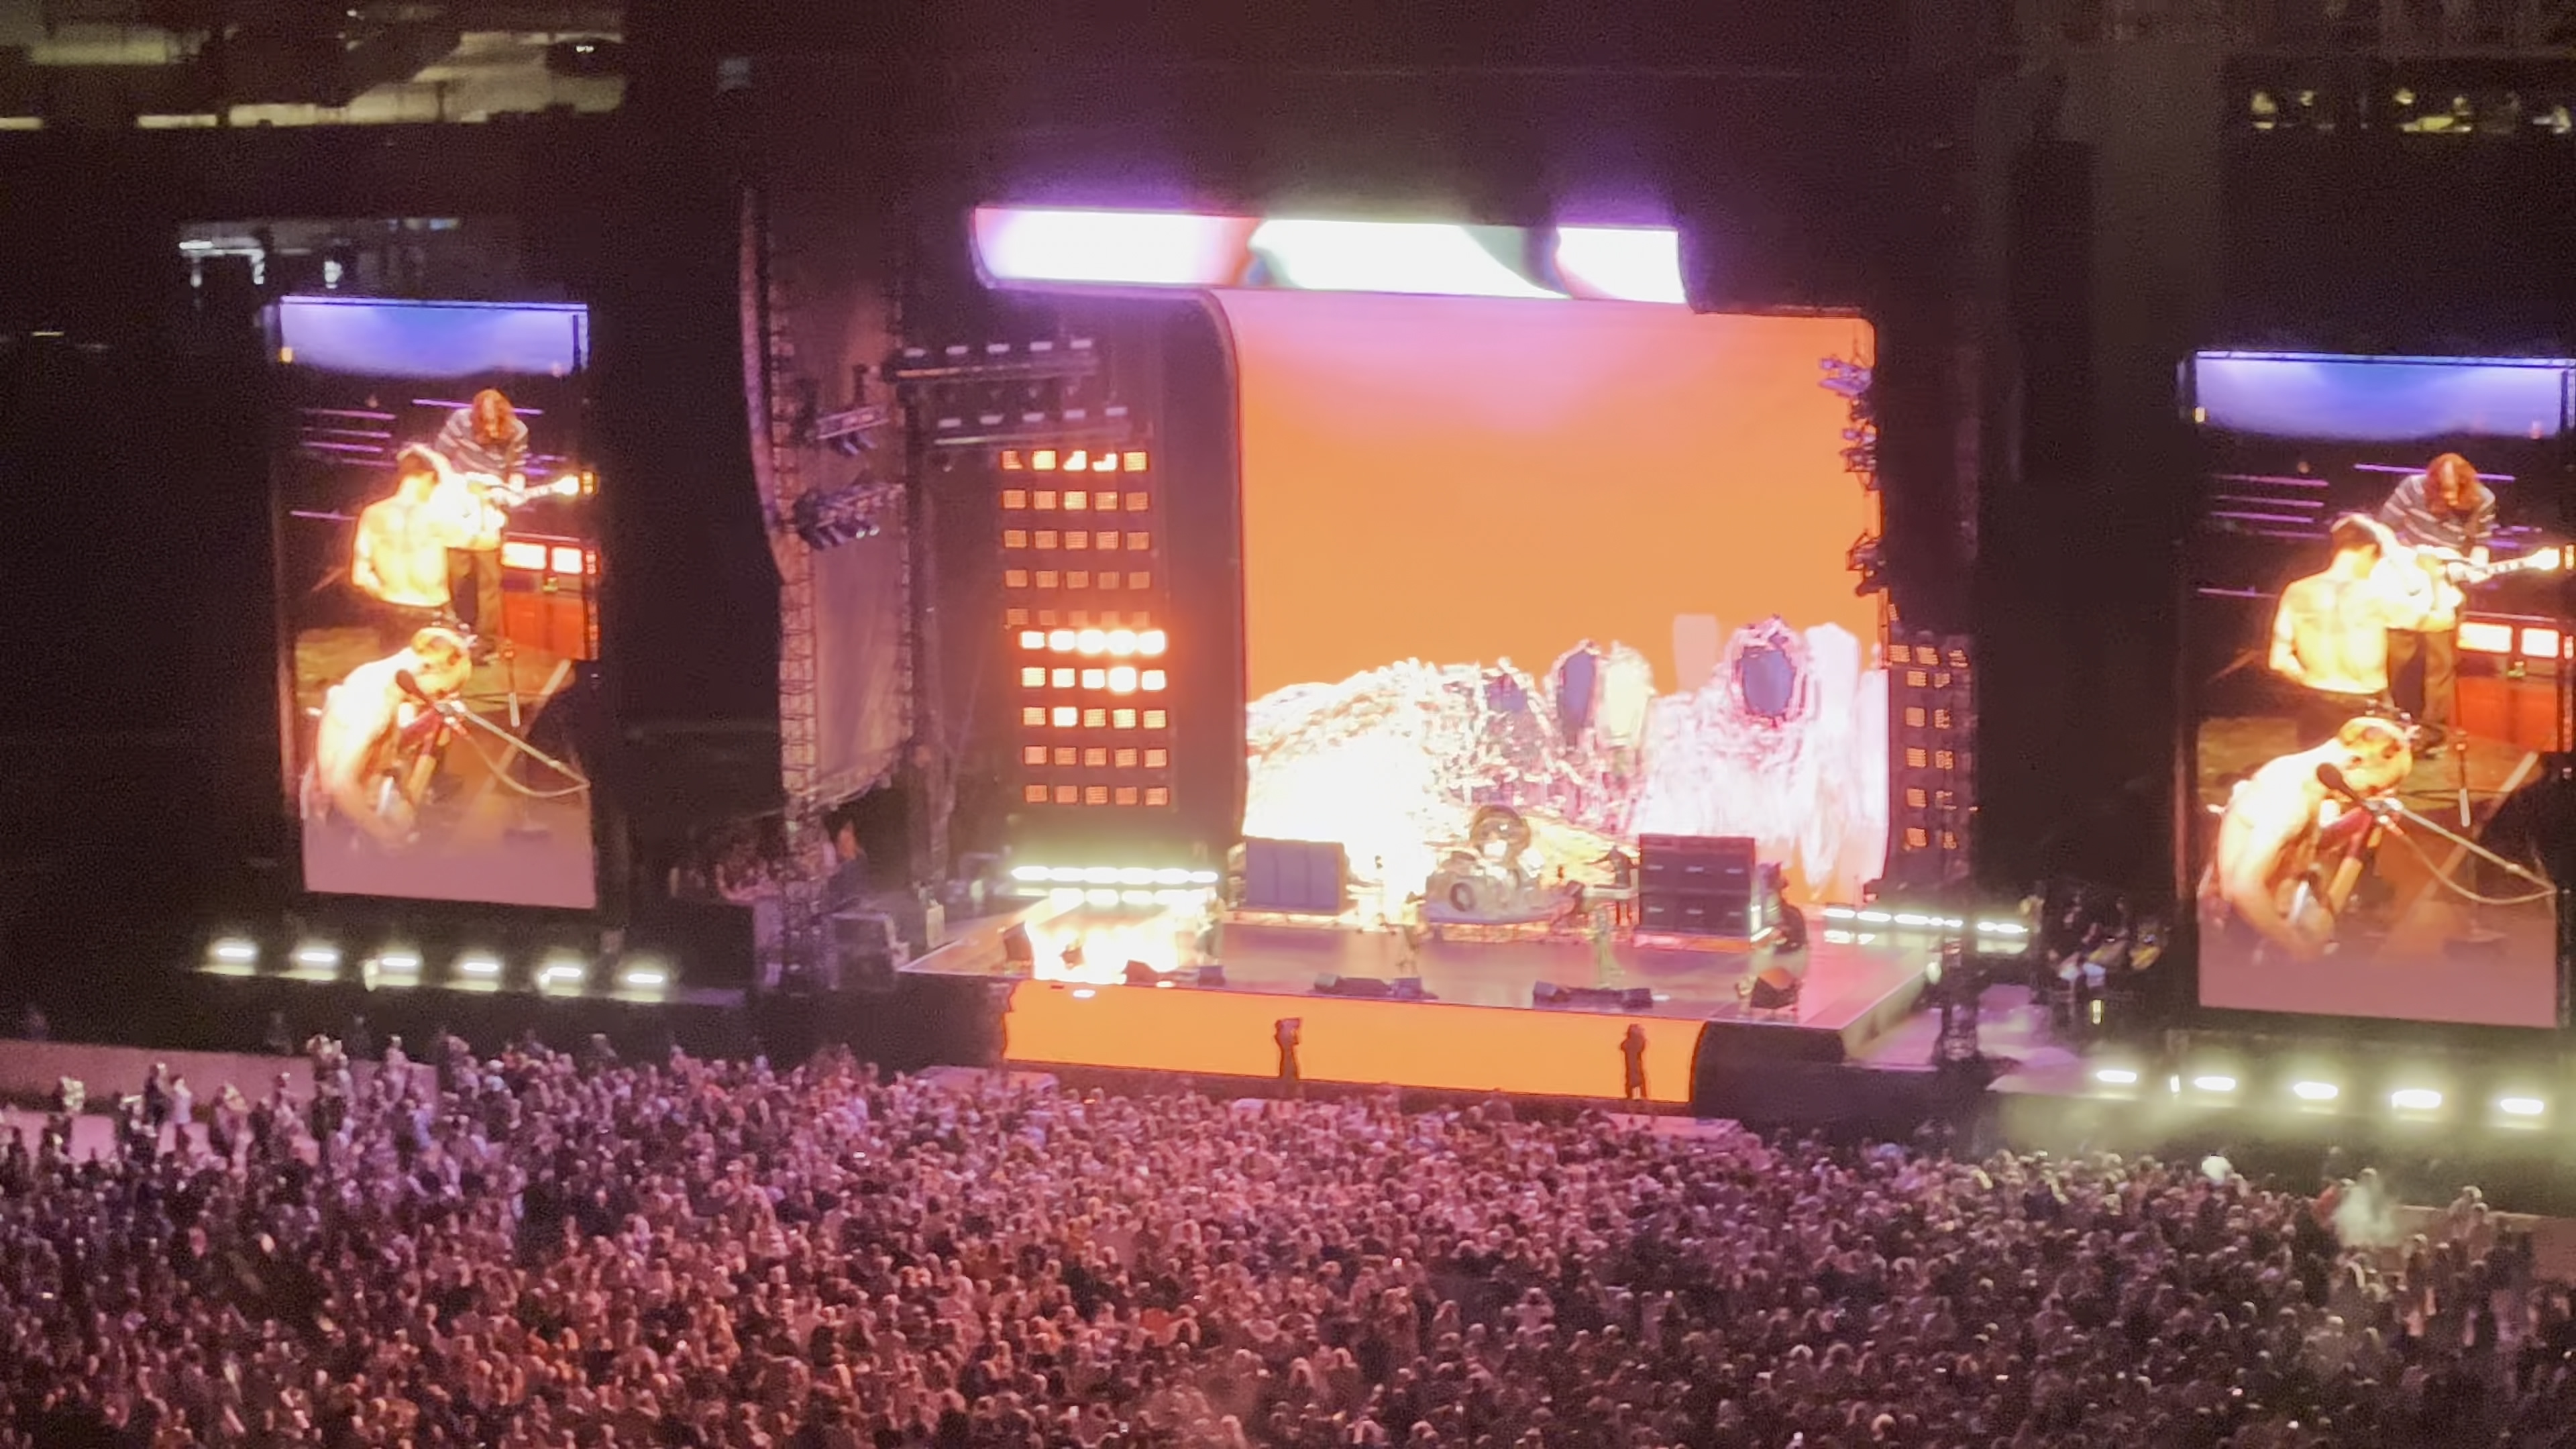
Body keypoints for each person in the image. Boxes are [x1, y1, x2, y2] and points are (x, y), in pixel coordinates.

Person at [2200, 715, 2414, 961]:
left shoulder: (2303, 780)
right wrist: (2295, 945)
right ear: (2354, 762)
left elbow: (2311, 843)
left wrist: (2363, 816)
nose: (2367, 796)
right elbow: (2242, 887)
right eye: (2373, 789)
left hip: (2269, 923)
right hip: (2240, 936)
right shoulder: (2289, 800)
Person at [303, 627, 475, 849]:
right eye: (441, 692)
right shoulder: (372, 703)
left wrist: (432, 720)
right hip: (342, 823)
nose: (436, 699)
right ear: (428, 667)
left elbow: (382, 747)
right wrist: (384, 834)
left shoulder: (381, 679)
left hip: (363, 808)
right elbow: (340, 783)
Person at [2268, 513, 2432, 741]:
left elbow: (2278, 661)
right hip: (2366, 705)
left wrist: (2311, 682)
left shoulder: (2296, 591)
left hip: (2317, 703)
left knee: (2318, 764)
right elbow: (2439, 620)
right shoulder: (2375, 595)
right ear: (2369, 550)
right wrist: (2438, 579)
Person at [2379, 452, 2497, 746]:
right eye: (2444, 491)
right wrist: (2404, 565)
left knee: (2440, 662)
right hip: (2406, 581)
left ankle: (2432, 730)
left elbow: (2480, 544)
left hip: (2445, 584)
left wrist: (2478, 567)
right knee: (2396, 655)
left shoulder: (2483, 500)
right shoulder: (2412, 487)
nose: (2451, 498)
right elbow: (2383, 530)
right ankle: (2389, 719)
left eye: (2457, 491)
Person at [349, 444, 493, 651]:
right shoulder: (436, 516)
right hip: (430, 612)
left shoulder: (372, 514)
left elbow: (360, 577)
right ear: (429, 477)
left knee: (395, 669)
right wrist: (485, 504)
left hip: (390, 609)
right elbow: (488, 542)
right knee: (437, 670)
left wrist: (387, 596)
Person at [433, 390, 529, 643]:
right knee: (454, 574)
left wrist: (514, 492)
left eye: (496, 423)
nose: (491, 430)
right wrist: (456, 489)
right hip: (458, 505)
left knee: (490, 579)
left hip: (489, 509)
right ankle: (447, 630)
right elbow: (439, 459)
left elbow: (517, 470)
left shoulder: (518, 431)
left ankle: (486, 639)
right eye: (486, 423)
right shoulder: (460, 421)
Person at [1619, 1023, 1648, 1102]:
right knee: (1634, 1079)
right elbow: (1623, 1046)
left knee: (1635, 1079)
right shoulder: (1635, 1042)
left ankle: (1637, 1096)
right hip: (1633, 1065)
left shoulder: (1634, 1043)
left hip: (1634, 1065)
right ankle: (1637, 1096)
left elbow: (1623, 1046)